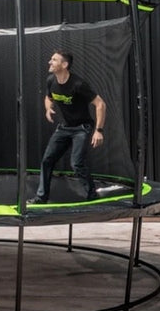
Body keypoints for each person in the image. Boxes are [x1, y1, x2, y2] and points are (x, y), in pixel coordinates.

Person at [28, 50, 106, 204]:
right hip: (64, 128)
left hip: (82, 128)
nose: (50, 62)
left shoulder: (78, 84)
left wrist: (98, 130)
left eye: (54, 60)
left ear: (64, 65)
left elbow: (100, 104)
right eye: (51, 59)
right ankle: (41, 197)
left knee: (76, 163)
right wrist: (48, 108)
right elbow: (48, 97)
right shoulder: (51, 80)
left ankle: (92, 194)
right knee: (47, 160)